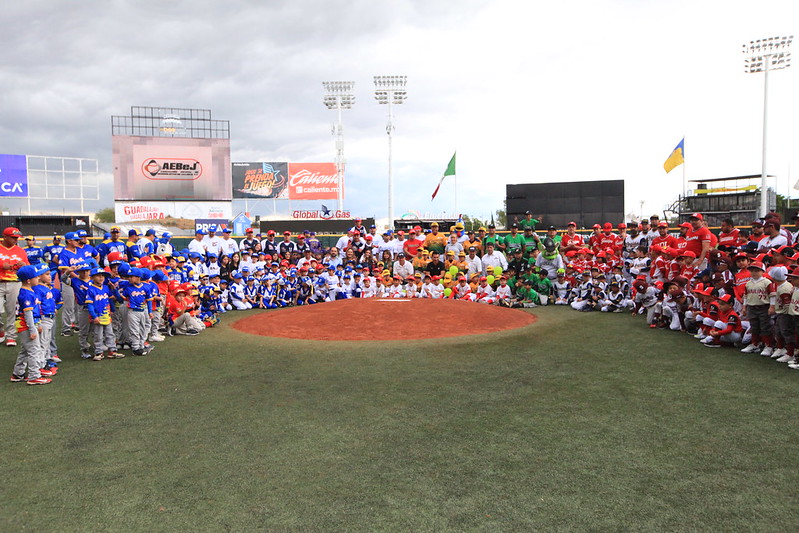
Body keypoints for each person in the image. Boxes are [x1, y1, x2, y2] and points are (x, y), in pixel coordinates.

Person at [9, 264, 51, 385]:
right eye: (36, 277)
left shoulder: (28, 290)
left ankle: (18, 373)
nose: (38, 279)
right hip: (26, 325)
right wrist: (33, 329)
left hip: (28, 324)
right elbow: (28, 314)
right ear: (28, 280)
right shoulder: (26, 293)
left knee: (25, 350)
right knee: (34, 350)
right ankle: (34, 375)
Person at [0, 227, 29, 347]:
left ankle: (11, 336)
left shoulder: (20, 251)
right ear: (5, 237)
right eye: (13, 237)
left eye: (17, 238)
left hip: (14, 282)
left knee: (12, 310)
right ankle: (1, 330)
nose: (15, 240)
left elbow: (27, 266)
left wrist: (24, 265)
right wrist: (2, 265)